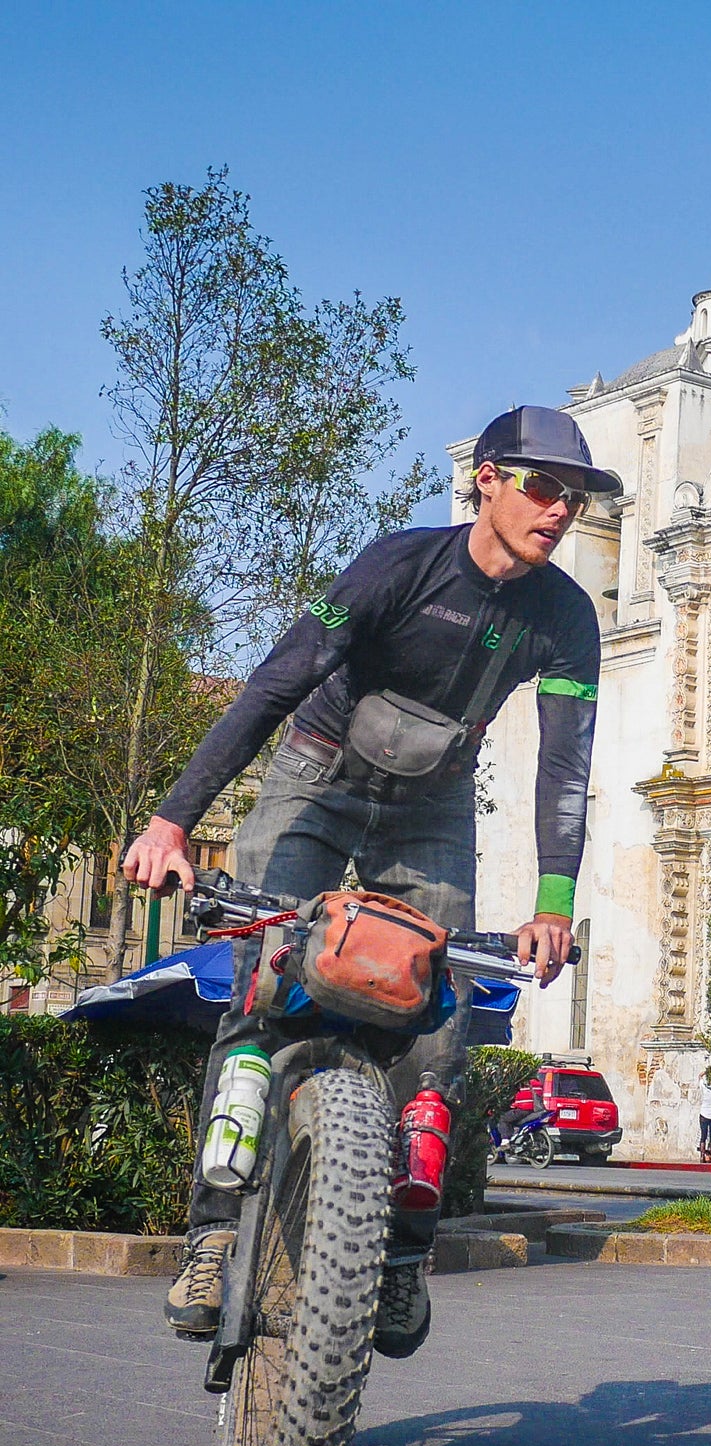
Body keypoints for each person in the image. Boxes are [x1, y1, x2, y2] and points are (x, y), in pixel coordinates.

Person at [123, 405, 620, 1357]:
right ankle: (214, 1236)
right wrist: (173, 818)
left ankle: (398, 1261)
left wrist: (555, 905)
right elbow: (275, 684)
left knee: (435, 1023)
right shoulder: (400, 564)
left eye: (578, 498)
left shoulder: (565, 619)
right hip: (317, 774)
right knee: (262, 994)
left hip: (431, 806)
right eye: (544, 487)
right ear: (488, 479)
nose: (561, 511)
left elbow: (564, 767)